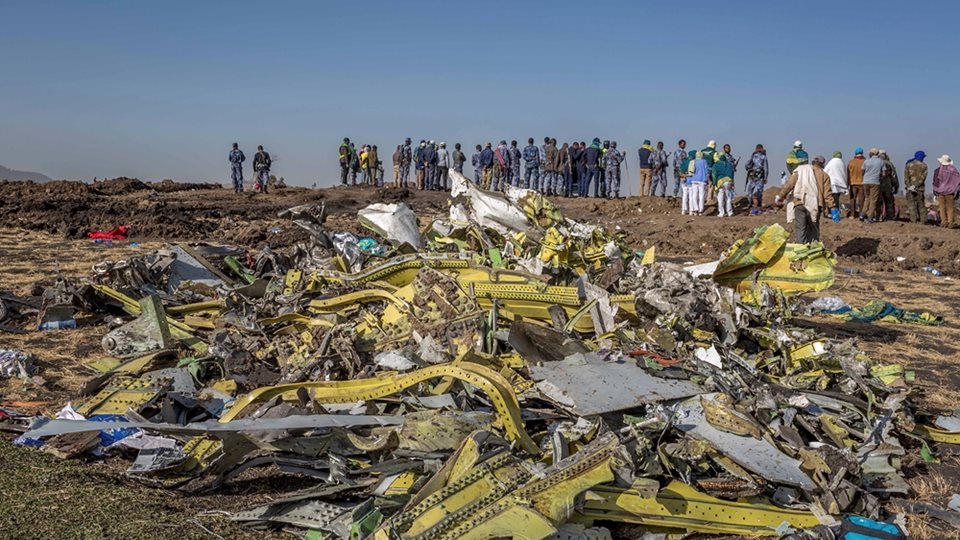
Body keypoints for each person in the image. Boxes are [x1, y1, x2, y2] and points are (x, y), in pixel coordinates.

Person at [775, 156, 840, 243]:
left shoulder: (801, 170)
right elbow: (827, 195)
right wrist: (833, 207)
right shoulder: (824, 175)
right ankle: (813, 252)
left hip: (800, 203)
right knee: (814, 231)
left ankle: (801, 251)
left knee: (800, 230)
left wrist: (780, 196)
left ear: (813, 162)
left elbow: (789, 185)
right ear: (822, 164)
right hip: (815, 206)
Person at [933, 155, 960, 228]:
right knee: (950, 208)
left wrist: (935, 190)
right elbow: (958, 181)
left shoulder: (938, 170)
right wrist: (957, 191)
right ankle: (950, 223)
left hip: (941, 191)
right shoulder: (954, 170)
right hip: (950, 192)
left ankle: (943, 222)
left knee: (942, 207)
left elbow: (936, 181)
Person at [904, 151, 928, 224]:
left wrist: (910, 186)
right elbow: (923, 178)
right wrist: (916, 185)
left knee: (911, 205)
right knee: (921, 205)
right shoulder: (924, 166)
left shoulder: (908, 164)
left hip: (910, 188)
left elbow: (906, 177)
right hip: (920, 189)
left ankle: (913, 221)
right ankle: (923, 221)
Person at [744, 144, 769, 215]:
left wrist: (765, 177)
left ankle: (755, 205)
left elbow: (746, 165)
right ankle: (754, 205)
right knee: (756, 192)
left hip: (756, 177)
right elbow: (766, 168)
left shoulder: (754, 156)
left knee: (753, 192)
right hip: (756, 177)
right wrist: (766, 177)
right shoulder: (761, 157)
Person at [861, 148, 884, 223]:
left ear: (871, 153)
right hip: (875, 182)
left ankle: (863, 214)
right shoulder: (881, 161)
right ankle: (870, 217)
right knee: (873, 200)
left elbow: (862, 171)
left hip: (866, 181)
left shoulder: (866, 161)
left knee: (867, 198)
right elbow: (884, 173)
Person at [683, 151, 709, 216]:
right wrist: (708, 179)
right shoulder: (704, 162)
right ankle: (701, 210)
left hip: (694, 180)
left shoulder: (693, 161)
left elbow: (691, 171)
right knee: (701, 196)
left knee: (694, 196)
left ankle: (695, 209)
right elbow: (706, 171)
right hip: (702, 180)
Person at [712, 152, 735, 217]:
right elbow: (732, 174)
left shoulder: (716, 165)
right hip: (728, 182)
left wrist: (714, 184)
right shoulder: (729, 164)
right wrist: (732, 183)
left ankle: (721, 213)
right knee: (728, 198)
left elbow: (714, 175)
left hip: (720, 182)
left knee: (720, 198)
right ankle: (730, 212)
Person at [847, 147, 866, 218]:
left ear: (855, 153)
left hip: (853, 183)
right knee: (861, 200)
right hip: (862, 183)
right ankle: (861, 214)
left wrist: (848, 183)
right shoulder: (865, 161)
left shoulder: (851, 162)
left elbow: (848, 173)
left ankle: (852, 214)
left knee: (852, 199)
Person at [879, 151, 898, 221]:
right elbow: (894, 176)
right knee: (889, 202)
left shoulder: (877, 163)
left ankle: (879, 216)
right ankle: (890, 217)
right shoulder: (890, 164)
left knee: (879, 202)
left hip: (879, 185)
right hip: (888, 185)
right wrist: (896, 186)